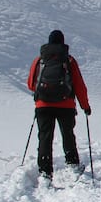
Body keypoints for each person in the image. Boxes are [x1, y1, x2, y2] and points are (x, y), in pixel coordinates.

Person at [27, 29, 91, 180]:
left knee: (45, 137)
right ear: (63, 42)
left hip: (43, 105)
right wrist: (85, 106)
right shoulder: (68, 60)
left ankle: (45, 171)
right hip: (66, 105)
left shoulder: (40, 60)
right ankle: (73, 164)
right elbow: (79, 85)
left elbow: (31, 83)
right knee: (67, 134)